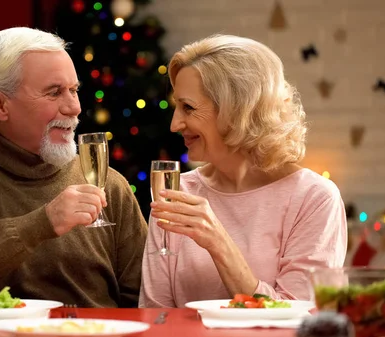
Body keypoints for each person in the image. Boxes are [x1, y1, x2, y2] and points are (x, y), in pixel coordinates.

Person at [0, 27, 148, 307]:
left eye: (74, 90)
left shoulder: (109, 186)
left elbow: (144, 297)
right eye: (54, 92)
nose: (74, 107)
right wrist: (41, 224)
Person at [139, 34, 347, 308]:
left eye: (188, 107)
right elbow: (156, 315)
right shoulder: (178, 193)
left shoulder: (314, 198)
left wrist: (218, 243)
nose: (175, 124)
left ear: (237, 110)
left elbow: (298, 319)